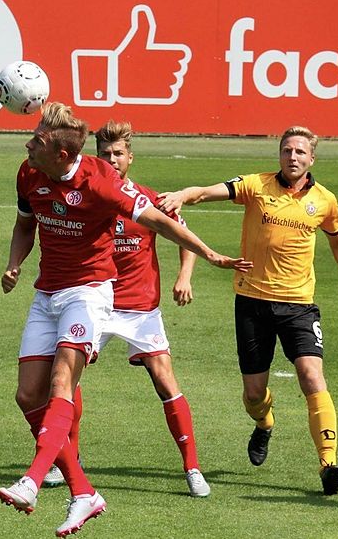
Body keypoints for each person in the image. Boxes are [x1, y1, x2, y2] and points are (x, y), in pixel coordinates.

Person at [0, 102, 250, 537]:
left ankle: (34, 479)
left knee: (64, 382)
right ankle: (83, 491)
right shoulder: (28, 173)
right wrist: (15, 262)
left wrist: (206, 256)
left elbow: (161, 221)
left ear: (60, 153)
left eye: (36, 140)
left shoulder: (101, 183)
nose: (27, 143)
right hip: (47, 293)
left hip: (90, 293)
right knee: (27, 396)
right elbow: (25, 223)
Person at [157, 125, 338, 496]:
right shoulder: (256, 185)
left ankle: (329, 463)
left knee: (311, 375)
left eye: (300, 152)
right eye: (287, 150)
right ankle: (264, 424)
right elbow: (210, 192)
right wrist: (182, 195)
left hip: (299, 306)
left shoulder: (324, 201)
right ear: (280, 155)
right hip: (252, 303)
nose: (293, 157)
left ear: (311, 159)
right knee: (254, 394)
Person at [41, 120, 210, 497]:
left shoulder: (146, 198)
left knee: (164, 377)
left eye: (118, 154)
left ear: (130, 158)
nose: (112, 160)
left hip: (139, 306)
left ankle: (192, 467)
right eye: (105, 154)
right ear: (94, 157)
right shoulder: (86, 193)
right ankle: (67, 459)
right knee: (68, 374)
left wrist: (185, 276)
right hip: (92, 299)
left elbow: (180, 233)